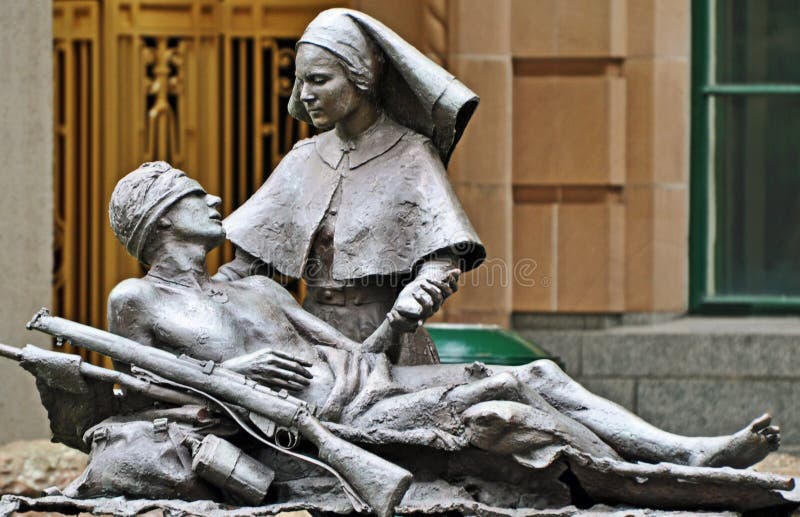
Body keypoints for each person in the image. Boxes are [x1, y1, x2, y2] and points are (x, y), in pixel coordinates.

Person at [100, 163, 779, 485]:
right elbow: (135, 398)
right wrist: (228, 376)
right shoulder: (135, 299)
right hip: (319, 427)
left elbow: (350, 347)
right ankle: (662, 479)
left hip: (369, 391)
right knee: (507, 413)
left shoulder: (254, 288)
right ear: (160, 218)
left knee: (532, 373)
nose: (215, 197)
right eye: (194, 194)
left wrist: (397, 323)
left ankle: (681, 451)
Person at [215, 8, 486, 366]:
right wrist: (195, 293)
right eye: (301, 82)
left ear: (361, 77)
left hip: (390, 342)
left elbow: (441, 255)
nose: (305, 94)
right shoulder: (302, 159)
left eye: (318, 80)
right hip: (310, 344)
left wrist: (422, 291)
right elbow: (245, 268)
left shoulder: (412, 156)